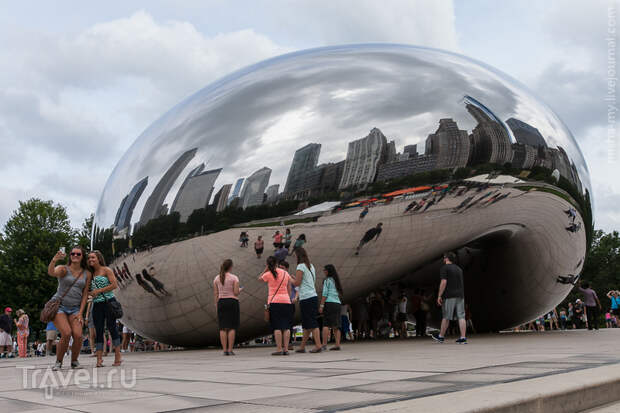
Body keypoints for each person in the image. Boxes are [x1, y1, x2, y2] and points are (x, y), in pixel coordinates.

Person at [47, 247, 91, 370]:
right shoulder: (63, 269)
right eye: (73, 253)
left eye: (78, 253)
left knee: (78, 335)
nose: (75, 255)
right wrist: (54, 259)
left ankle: (74, 361)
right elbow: (51, 272)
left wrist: (81, 313)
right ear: (70, 255)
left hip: (75, 308)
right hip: (59, 306)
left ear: (82, 256)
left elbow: (85, 295)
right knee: (66, 333)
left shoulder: (87, 273)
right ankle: (58, 361)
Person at [87, 250, 121, 367]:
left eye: (93, 258)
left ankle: (118, 356)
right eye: (89, 258)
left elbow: (114, 285)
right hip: (97, 304)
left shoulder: (106, 270)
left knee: (112, 328)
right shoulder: (89, 273)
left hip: (109, 302)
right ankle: (99, 359)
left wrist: (98, 291)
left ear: (99, 259)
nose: (90, 260)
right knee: (99, 331)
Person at [259, 256, 292, 355]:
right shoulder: (286, 273)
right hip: (286, 301)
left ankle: (279, 349)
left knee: (277, 327)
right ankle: (286, 349)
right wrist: (289, 298)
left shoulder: (268, 274)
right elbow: (289, 286)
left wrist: (266, 269)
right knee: (286, 327)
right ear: (277, 263)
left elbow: (259, 278)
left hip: (274, 301)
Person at [432, 252, 467, 344]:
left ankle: (441, 336)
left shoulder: (444, 268)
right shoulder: (459, 269)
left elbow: (444, 282)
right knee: (461, 316)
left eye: (444, 258)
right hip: (460, 295)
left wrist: (439, 295)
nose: (443, 259)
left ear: (446, 258)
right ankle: (463, 338)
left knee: (446, 316)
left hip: (449, 296)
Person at [292, 248, 322, 353]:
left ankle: (318, 345)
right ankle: (302, 346)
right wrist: (296, 279)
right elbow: (308, 281)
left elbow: (297, 283)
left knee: (312, 322)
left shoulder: (300, 266)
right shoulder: (311, 266)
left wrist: (290, 279)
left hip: (306, 297)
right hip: (312, 296)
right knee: (306, 323)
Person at [213, 259, 241, 355]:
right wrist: (240, 290)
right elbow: (236, 293)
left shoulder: (216, 278)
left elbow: (216, 294)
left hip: (221, 302)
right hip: (232, 302)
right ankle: (230, 349)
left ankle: (224, 350)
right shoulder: (234, 278)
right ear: (230, 267)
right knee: (232, 327)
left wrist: (216, 305)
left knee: (223, 327)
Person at [319, 264, 343, 350]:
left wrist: (321, 305)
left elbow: (324, 294)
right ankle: (337, 344)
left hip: (329, 303)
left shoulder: (327, 280)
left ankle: (324, 344)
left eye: (324, 270)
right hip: (337, 304)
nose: (323, 271)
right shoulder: (336, 281)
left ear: (328, 271)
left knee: (326, 324)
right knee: (336, 325)